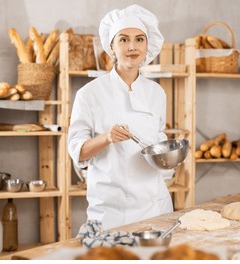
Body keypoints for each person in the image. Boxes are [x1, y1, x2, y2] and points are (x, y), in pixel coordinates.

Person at [68, 4, 173, 231]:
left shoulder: (156, 93)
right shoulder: (90, 94)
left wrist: (169, 157)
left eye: (139, 39)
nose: (132, 47)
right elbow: (77, 151)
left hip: (155, 205)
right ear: (112, 47)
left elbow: (158, 141)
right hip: (112, 210)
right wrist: (107, 138)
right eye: (123, 40)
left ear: (148, 46)